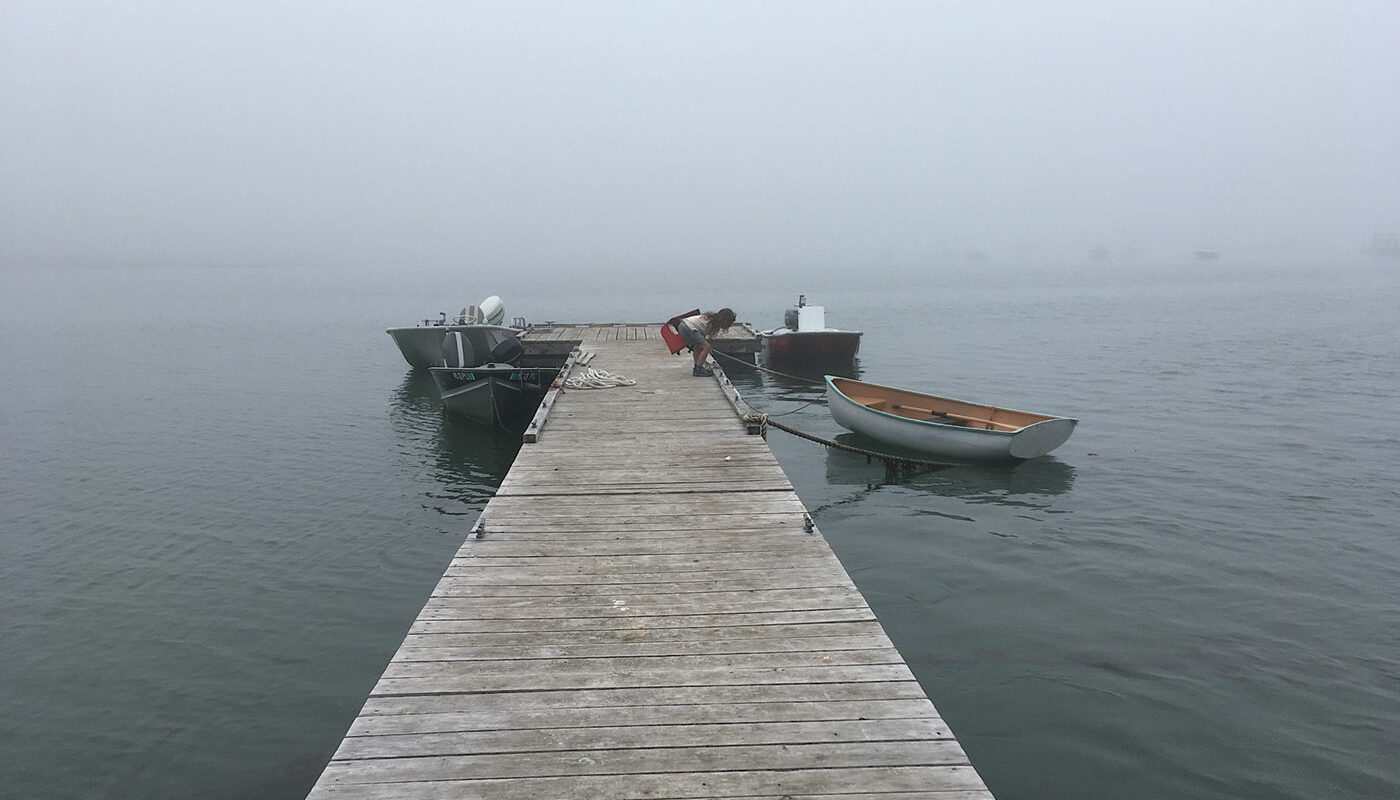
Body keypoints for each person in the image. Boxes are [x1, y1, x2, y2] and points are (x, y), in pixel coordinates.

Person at [677, 308, 736, 376]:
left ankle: (697, 367)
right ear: (724, 320)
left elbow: (707, 340)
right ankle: (698, 369)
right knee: (706, 347)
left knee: (698, 347)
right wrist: (707, 348)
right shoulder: (713, 323)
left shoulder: (711, 318)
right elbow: (707, 344)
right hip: (688, 327)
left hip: (683, 325)